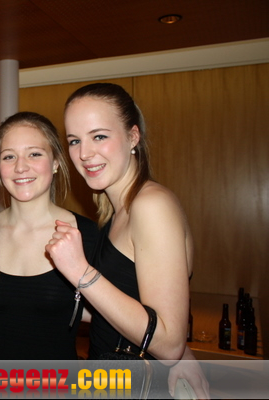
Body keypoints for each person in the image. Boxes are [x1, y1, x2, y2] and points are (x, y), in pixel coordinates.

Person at [46, 82, 209, 397]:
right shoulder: (117, 211)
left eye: (99, 136)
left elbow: (169, 343)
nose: (84, 154)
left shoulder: (152, 205)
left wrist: (80, 272)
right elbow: (123, 308)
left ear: (133, 137)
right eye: (75, 140)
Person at [0, 111, 99, 360]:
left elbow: (109, 316)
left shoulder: (86, 235)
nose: (20, 167)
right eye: (9, 156)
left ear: (56, 162)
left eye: (34, 154)